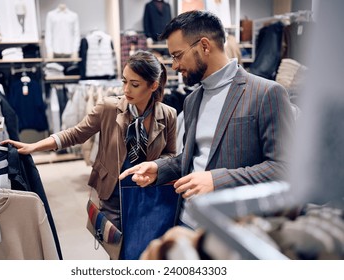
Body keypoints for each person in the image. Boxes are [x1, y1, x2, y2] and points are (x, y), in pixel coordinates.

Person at [119, 10, 295, 229]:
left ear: (204, 45)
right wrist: (158, 168)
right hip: (186, 221)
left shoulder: (266, 93)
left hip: (233, 229)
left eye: (177, 55)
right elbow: (193, 158)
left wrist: (217, 180)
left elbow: (284, 168)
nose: (174, 65)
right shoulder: (193, 99)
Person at [1, 50, 177, 259]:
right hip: (114, 194)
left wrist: (155, 167)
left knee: (143, 249)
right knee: (119, 251)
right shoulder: (109, 108)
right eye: (124, 81)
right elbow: (75, 134)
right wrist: (34, 146)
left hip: (147, 193)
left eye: (135, 84)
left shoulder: (168, 115)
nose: (126, 89)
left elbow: (170, 155)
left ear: (154, 85)